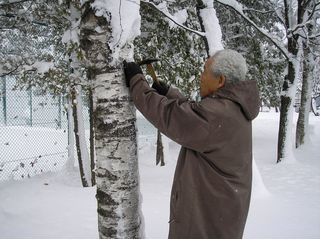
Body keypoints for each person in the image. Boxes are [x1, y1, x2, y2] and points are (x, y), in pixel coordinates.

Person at [123, 49, 260, 239]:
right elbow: (195, 115)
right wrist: (168, 92)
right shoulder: (231, 108)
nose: (201, 77)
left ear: (220, 81)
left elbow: (170, 115)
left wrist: (136, 80)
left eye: (205, 71)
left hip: (204, 223)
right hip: (219, 216)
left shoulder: (218, 114)